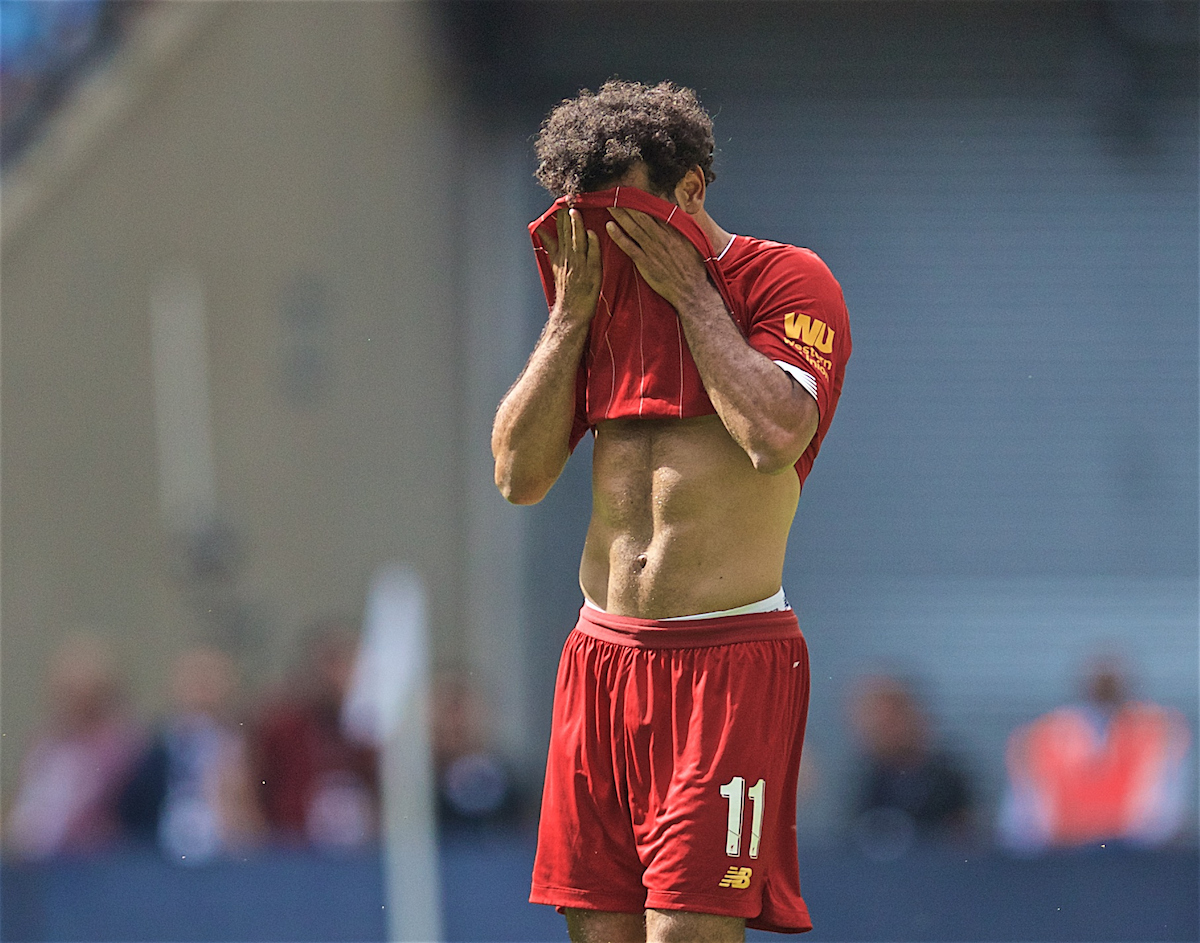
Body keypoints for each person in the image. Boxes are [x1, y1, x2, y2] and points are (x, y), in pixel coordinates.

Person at [492, 80, 851, 941]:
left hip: (726, 662)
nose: (611, 243)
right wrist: (569, 317)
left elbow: (774, 433)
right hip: (602, 657)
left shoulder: (785, 278)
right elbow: (517, 474)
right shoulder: (594, 308)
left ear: (690, 190)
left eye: (628, 215)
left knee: (684, 933)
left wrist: (693, 295)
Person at [999, 653, 1192, 852]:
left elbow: (1165, 815)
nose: (1106, 685)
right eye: (1100, 678)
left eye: (1111, 679)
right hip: (1061, 857)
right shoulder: (1042, 733)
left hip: (1132, 857)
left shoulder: (1159, 730)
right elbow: (1022, 823)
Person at [118, 646, 265, 862]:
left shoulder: (242, 746)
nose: (203, 690)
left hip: (225, 856)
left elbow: (254, 821)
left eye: (210, 680)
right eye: (195, 680)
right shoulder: (155, 748)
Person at [4, 634, 143, 859]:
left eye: (82, 691)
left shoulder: (121, 746)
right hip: (33, 864)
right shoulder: (46, 743)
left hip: (88, 865)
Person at [252, 618, 380, 849]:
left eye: (349, 664)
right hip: (293, 852)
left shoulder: (370, 732)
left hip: (361, 853)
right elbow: (252, 789)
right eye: (331, 663)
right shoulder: (281, 727)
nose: (339, 675)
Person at [846, 675, 974, 858]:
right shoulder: (867, 780)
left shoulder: (947, 778)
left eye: (889, 721)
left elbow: (966, 840)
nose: (882, 731)